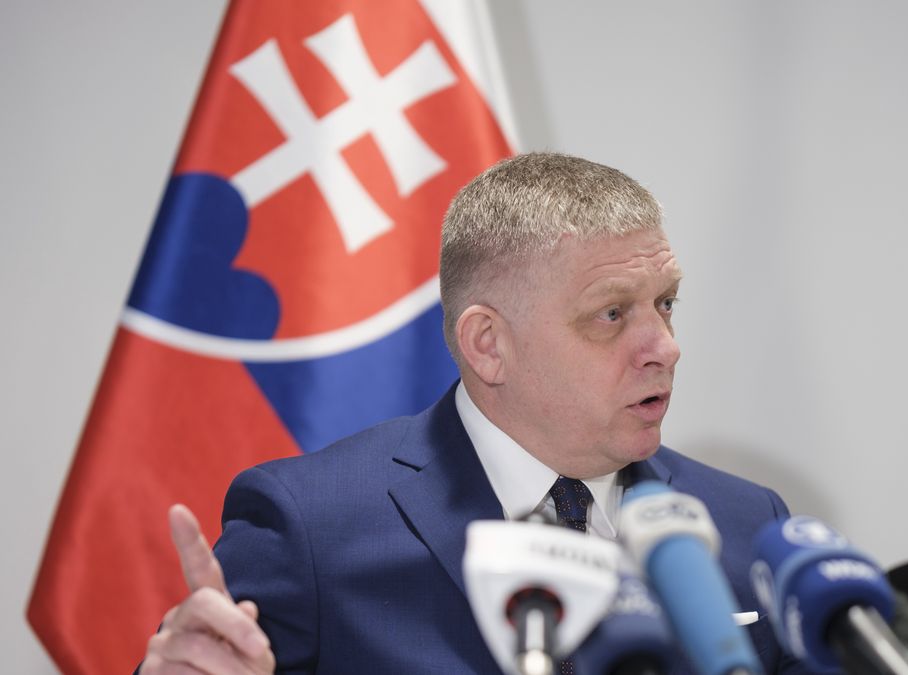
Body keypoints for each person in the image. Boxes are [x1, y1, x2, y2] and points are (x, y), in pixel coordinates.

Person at [141, 153, 803, 673]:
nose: (665, 346)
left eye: (666, 303)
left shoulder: (747, 524)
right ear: (488, 344)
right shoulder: (312, 526)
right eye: (612, 313)